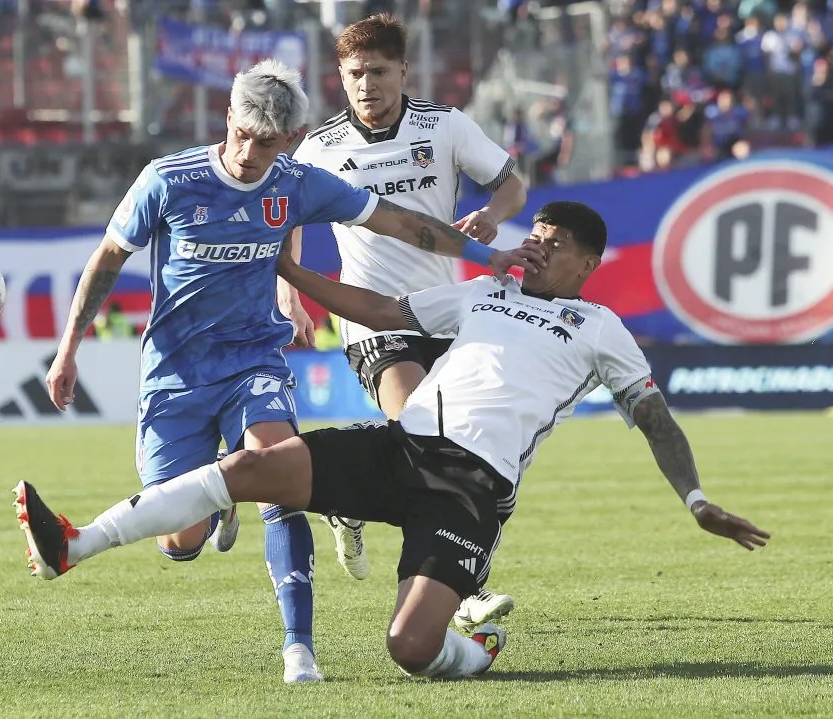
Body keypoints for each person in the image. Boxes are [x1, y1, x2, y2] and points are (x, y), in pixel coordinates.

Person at [14, 200, 770, 680]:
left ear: (589, 263)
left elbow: (654, 417)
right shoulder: (486, 291)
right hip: (400, 448)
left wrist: (696, 499)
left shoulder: (601, 328)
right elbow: (382, 311)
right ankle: (74, 545)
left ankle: (475, 651)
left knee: (410, 649)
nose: (537, 248)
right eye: (535, 236)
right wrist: (292, 270)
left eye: (555, 242)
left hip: (471, 490)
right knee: (248, 466)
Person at [40, 58, 537, 684]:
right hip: (176, 370)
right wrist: (68, 347)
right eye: (242, 135)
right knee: (179, 541)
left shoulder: (299, 185)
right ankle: (219, 503)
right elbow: (109, 257)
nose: (249, 154)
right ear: (227, 116)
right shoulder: (168, 180)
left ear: (293, 139)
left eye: (267, 143)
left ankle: (298, 650)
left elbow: (403, 222)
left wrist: (488, 255)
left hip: (255, 358)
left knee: (279, 471)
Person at [282, 13, 525, 631]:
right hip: (373, 319)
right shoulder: (320, 149)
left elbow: (512, 184)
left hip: (447, 314)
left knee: (457, 445)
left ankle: (346, 496)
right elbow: (285, 221)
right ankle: (458, 591)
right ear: (340, 77)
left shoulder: (444, 126)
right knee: (427, 438)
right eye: (355, 74)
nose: (367, 84)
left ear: (403, 72)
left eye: (378, 72)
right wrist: (292, 297)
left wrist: (493, 216)